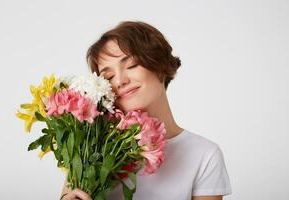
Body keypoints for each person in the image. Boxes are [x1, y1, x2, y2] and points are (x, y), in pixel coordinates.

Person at [60, 21, 232, 200]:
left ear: (160, 65)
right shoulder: (88, 149)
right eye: (108, 77)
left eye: (132, 65)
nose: (119, 81)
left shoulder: (204, 155)